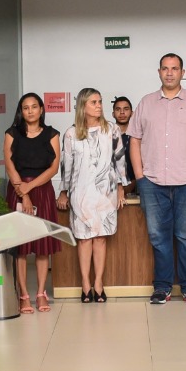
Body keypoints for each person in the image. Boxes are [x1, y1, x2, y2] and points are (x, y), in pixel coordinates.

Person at [129, 53, 186, 305]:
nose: (170, 73)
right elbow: (134, 140)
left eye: (175, 68)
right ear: (159, 72)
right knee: (158, 237)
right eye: (165, 69)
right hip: (153, 182)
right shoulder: (146, 103)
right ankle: (162, 288)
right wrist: (140, 176)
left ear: (182, 72)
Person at [57, 88, 127, 303]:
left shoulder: (112, 130)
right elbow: (66, 166)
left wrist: (122, 187)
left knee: (100, 239)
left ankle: (99, 283)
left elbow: (120, 161)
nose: (99, 106)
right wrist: (63, 191)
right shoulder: (71, 133)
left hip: (105, 193)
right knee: (84, 240)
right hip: (81, 193)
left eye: (100, 102)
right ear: (83, 106)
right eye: (94, 102)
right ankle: (85, 285)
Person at [4, 92, 62, 313]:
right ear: (21, 110)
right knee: (21, 246)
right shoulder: (12, 134)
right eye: (25, 107)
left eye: (34, 107)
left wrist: (31, 187)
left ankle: (40, 293)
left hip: (43, 190)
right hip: (18, 190)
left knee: (41, 245)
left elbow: (53, 168)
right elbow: (10, 167)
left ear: (41, 110)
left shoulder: (51, 134)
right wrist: (24, 193)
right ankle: (23, 295)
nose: (30, 111)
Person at [112, 95, 137, 192]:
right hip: (110, 188)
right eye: (118, 109)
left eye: (126, 109)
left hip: (136, 186)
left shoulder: (138, 137)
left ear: (132, 113)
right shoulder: (106, 136)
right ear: (113, 114)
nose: (122, 112)